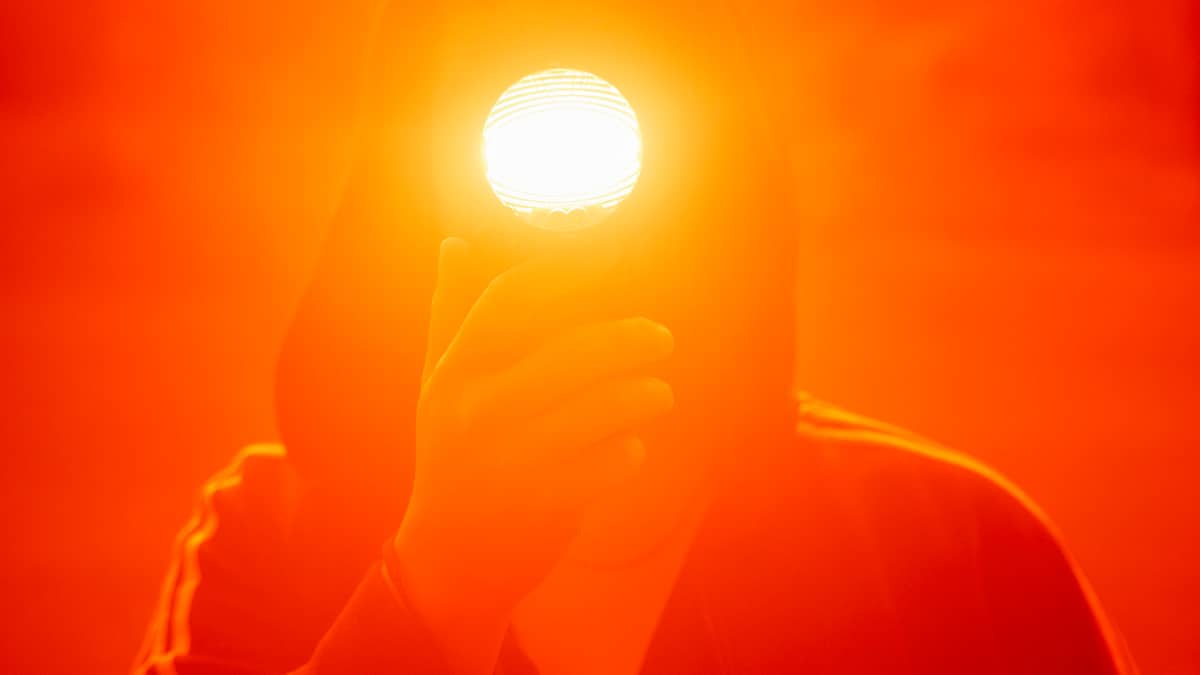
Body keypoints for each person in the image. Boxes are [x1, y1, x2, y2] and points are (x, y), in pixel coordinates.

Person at [136, 1, 1138, 673]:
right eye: (501, 74)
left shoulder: (959, 552)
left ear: (733, 160)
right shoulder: (265, 541)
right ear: (404, 160)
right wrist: (436, 586)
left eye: (635, 69)